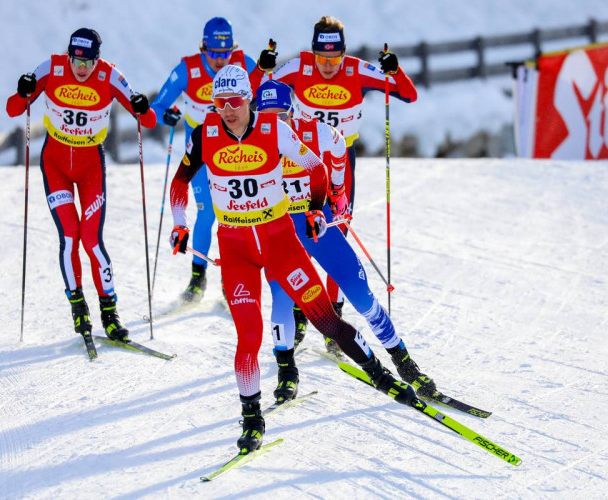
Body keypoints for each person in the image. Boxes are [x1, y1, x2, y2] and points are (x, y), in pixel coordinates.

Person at [168, 65, 416, 454]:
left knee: (327, 321)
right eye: (219, 103)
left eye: (234, 102)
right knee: (248, 338)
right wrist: (179, 223)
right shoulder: (205, 135)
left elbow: (317, 168)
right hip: (237, 251)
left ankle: (382, 376)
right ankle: (252, 419)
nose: (227, 110)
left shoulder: (274, 130)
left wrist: (318, 209)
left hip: (280, 241)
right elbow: (180, 182)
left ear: (248, 100)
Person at [256, 80, 436, 402]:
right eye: (266, 116)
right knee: (281, 299)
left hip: (317, 226)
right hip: (283, 232)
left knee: (360, 295)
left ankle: (404, 362)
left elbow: (339, 148)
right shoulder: (251, 144)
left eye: (280, 116)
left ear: (292, 113)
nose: (274, 124)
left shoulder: (313, 131)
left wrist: (338, 191)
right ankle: (287, 371)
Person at [260, 15, 417, 327]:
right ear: (312, 52)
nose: (328, 66)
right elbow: (260, 94)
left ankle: (335, 310)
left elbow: (408, 94)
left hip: (342, 156)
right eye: (322, 57)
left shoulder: (357, 70)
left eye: (335, 58)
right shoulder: (297, 68)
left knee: (337, 231)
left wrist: (394, 69)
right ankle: (300, 307)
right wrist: (262, 67)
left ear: (344, 54)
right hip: (300, 156)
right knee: (299, 230)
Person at [6, 28, 157, 346]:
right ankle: (78, 306)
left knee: (92, 241)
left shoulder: (110, 75)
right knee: (70, 237)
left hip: (90, 167)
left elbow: (149, 120)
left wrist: (142, 107)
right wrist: (23, 92)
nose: (82, 68)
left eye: (88, 62)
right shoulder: (51, 68)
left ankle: (110, 313)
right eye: (77, 60)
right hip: (56, 164)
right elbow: (13, 109)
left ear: (97, 60)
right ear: (70, 55)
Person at [150, 17, 276, 303]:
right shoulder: (188, 68)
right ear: (203, 48)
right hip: (200, 149)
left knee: (234, 214)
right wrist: (165, 115)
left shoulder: (244, 62)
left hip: (234, 149)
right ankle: (198, 277)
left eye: (225, 53)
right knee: (207, 214)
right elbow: (158, 106)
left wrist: (265, 71)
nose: (220, 60)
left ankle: (231, 276)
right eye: (214, 54)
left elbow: (268, 91)